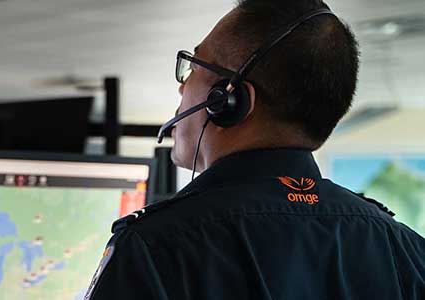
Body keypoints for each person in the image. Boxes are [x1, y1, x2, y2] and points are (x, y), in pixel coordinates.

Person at [84, 0, 425, 299]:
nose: (182, 87)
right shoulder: (406, 249)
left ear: (229, 101)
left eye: (194, 68)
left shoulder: (156, 247)